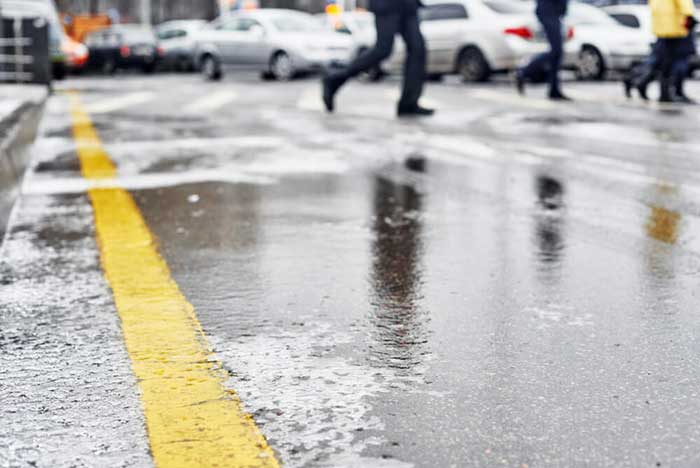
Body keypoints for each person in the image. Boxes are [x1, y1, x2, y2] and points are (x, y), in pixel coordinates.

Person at [321, 0, 434, 117]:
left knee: (418, 49)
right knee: (383, 49)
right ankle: (334, 79)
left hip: (408, 4)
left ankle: (409, 103)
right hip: (387, 4)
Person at [515, 0, 571, 101]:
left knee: (557, 53)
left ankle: (554, 90)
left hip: (553, 12)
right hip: (549, 12)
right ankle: (523, 72)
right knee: (556, 51)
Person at [649, 0, 696, 102]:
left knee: (665, 62)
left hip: (661, 28)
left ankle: (664, 92)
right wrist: (690, 16)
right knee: (679, 60)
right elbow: (684, 4)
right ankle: (676, 92)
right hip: (677, 28)